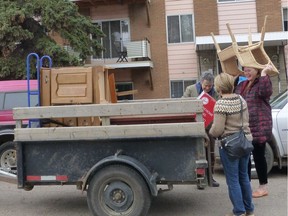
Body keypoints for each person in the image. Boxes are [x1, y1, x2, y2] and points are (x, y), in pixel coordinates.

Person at [209, 72, 254, 216]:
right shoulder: (241, 99)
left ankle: (239, 211)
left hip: (230, 146)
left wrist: (210, 131)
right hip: (246, 140)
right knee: (244, 177)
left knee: (233, 180)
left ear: (219, 87)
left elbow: (217, 130)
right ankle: (249, 210)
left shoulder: (221, 104)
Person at [234, 64, 273, 198]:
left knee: (258, 156)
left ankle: (263, 187)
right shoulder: (243, 84)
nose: (247, 72)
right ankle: (247, 186)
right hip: (246, 127)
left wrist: (263, 74)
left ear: (257, 70)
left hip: (259, 126)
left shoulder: (262, 81)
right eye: (245, 70)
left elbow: (265, 92)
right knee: (245, 158)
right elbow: (235, 98)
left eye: (249, 70)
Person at [183, 71, 219, 187]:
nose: (208, 88)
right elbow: (183, 103)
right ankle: (199, 180)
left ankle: (210, 177)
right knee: (198, 154)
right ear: (201, 82)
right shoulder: (190, 89)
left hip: (209, 127)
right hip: (195, 127)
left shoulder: (215, 92)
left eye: (210, 86)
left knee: (211, 153)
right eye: (206, 85)